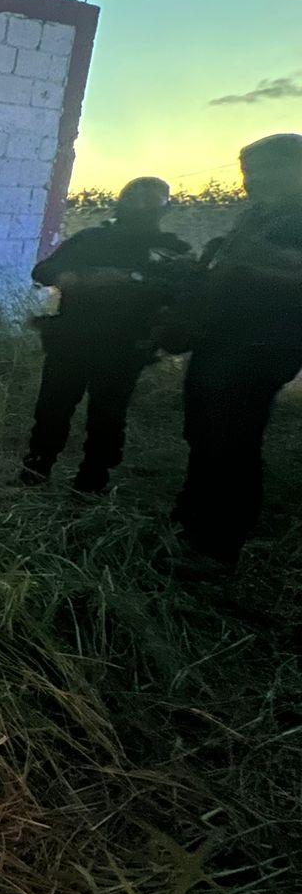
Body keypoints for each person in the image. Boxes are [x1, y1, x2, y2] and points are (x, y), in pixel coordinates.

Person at [162, 133, 302, 574]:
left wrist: (245, 264)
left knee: (233, 444)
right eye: (247, 171)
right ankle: (187, 522)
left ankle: (216, 550)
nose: (252, 180)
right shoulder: (259, 216)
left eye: (265, 169)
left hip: (262, 345)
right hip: (220, 341)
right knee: (202, 434)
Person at [19, 176, 193, 493]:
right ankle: (35, 470)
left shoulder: (172, 250)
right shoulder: (90, 239)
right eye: (133, 197)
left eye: (149, 200)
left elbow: (182, 295)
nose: (139, 205)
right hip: (73, 338)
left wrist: (133, 281)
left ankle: (92, 481)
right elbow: (43, 271)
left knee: (108, 417)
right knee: (52, 410)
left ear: (164, 209)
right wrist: (74, 277)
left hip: (125, 346)